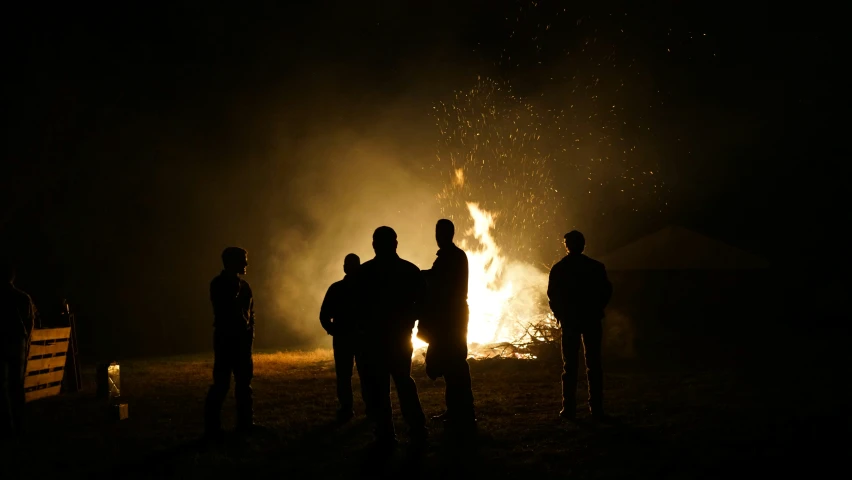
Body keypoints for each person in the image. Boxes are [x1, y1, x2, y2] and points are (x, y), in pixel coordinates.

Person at [354, 226, 427, 449]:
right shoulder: (409, 270)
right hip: (397, 338)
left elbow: (356, 308)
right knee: (403, 382)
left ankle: (386, 434)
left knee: (381, 388)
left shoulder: (365, 272)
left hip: (376, 339)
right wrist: (410, 321)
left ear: (375, 244)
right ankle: (416, 429)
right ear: (395, 244)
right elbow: (422, 304)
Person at [547, 231, 612, 420]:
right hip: (591, 319)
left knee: (570, 366)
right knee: (594, 364)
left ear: (567, 245)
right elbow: (606, 291)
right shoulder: (596, 267)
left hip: (570, 321)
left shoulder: (560, 268)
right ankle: (597, 409)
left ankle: (569, 409)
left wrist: (560, 315)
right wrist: (598, 308)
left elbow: (553, 296)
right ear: (583, 245)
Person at [420, 219, 476, 428]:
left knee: (455, 364)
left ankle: (464, 411)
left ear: (448, 234)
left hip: (451, 316)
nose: (437, 236)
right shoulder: (450, 256)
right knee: (453, 365)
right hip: (451, 315)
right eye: (437, 232)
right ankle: (456, 410)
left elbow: (438, 281)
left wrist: (419, 276)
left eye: (440, 232)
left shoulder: (451, 257)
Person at [203, 247, 256, 437]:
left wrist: (250, 337)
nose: (246, 264)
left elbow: (251, 315)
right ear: (231, 262)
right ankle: (212, 427)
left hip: (242, 341)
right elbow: (225, 307)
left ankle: (245, 423)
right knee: (222, 384)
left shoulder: (245, 286)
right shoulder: (219, 284)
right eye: (243, 260)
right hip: (226, 340)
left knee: (244, 383)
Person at [319, 253, 364, 422]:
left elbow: (324, 316)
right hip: (361, 338)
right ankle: (370, 407)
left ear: (344, 268)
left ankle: (346, 408)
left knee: (344, 376)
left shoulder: (336, 288)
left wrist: (334, 330)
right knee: (366, 374)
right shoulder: (366, 289)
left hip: (343, 338)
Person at [0, 260, 34, 437]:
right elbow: (30, 323)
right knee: (17, 385)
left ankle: (8, 425)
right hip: (17, 342)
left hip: (2, 342)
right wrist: (25, 341)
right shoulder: (23, 297)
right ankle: (20, 424)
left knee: (2, 385)